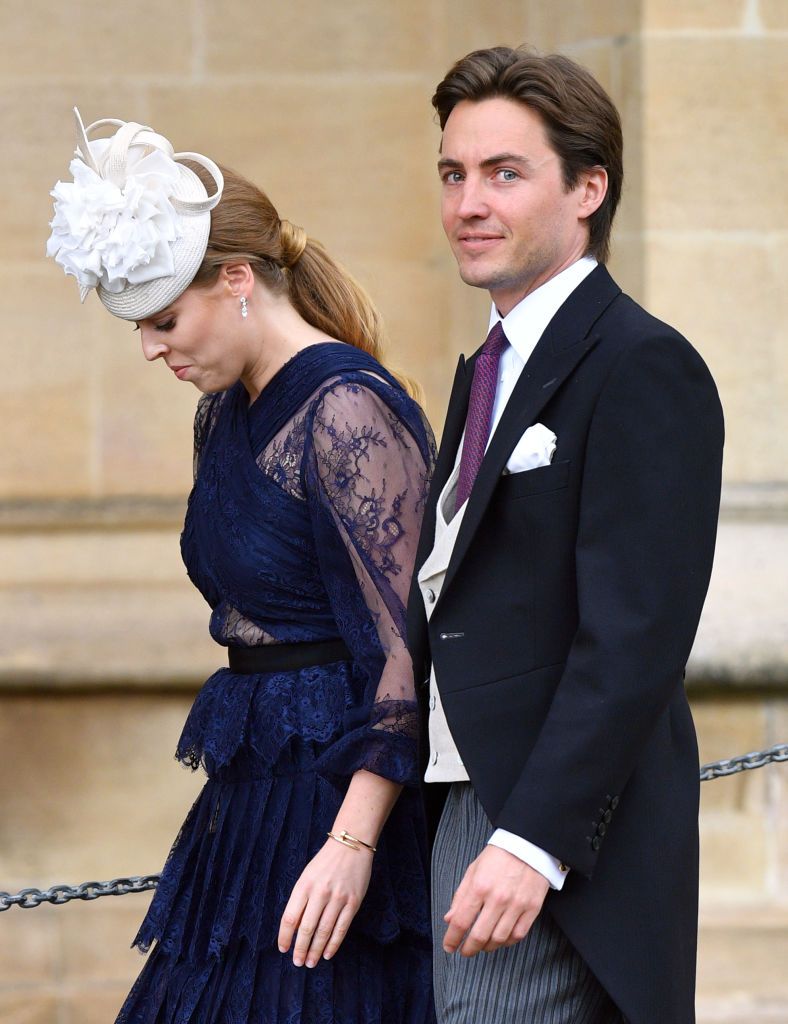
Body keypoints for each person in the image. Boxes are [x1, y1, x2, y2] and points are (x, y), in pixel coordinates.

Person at [47, 110, 436, 1023]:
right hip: (251, 795)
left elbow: (404, 651)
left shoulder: (346, 406)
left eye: (165, 320)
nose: (152, 348)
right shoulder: (223, 411)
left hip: (341, 807)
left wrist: (352, 840)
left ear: (236, 281)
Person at [406, 47, 724, 1024]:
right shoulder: (486, 371)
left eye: (503, 173)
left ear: (588, 187)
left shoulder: (641, 365)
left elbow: (630, 640)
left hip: (549, 832)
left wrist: (529, 841)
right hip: (459, 799)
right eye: (453, 174)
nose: (467, 202)